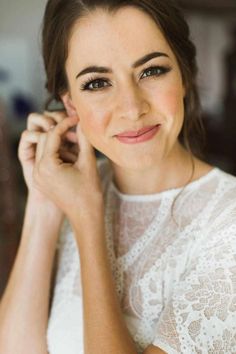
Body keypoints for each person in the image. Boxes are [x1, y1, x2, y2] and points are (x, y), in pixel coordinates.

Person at [0, 0, 236, 353]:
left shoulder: (226, 224)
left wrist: (87, 219)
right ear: (70, 105)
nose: (131, 108)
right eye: (97, 83)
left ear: (186, 75)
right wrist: (43, 201)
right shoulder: (71, 190)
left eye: (152, 71)